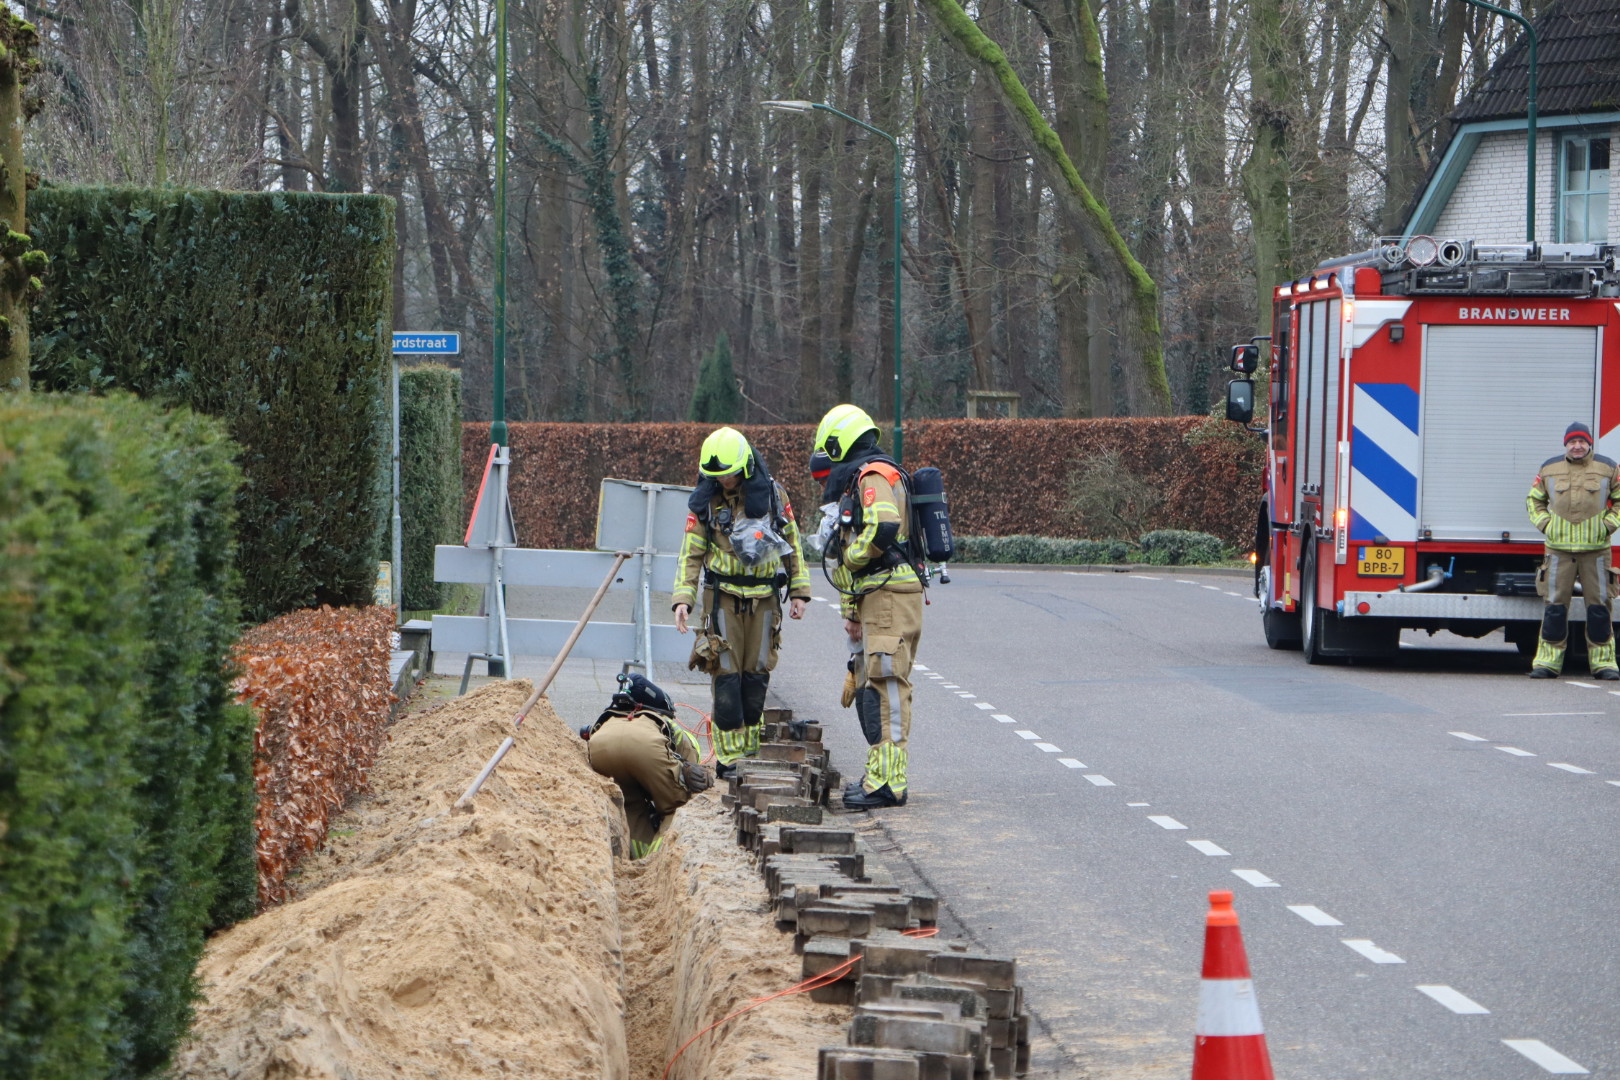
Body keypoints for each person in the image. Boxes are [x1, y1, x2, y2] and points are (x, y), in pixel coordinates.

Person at [672, 427, 811, 776]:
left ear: (746, 467)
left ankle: (748, 751)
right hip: (722, 598)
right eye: (718, 477)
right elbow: (691, 554)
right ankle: (728, 759)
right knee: (726, 674)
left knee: (757, 672)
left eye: (730, 474)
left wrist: (799, 591)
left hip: (765, 597)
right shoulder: (706, 502)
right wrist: (683, 599)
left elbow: (792, 544)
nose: (726, 481)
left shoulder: (774, 496)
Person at [812, 405, 924, 810]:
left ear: (839, 442)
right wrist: (853, 608)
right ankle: (881, 776)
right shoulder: (869, 473)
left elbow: (883, 526)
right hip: (881, 594)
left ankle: (889, 784)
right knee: (876, 685)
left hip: (890, 593)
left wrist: (850, 559)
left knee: (888, 686)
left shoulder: (872, 474)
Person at [1525, 420, 1620, 679]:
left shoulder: (1608, 467)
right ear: (1565, 444)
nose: (1577, 446)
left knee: (1600, 608)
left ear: (1590, 443)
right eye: (1572, 441)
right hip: (1558, 551)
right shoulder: (1549, 468)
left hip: (1596, 551)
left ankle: (1604, 664)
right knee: (1554, 607)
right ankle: (1547, 663)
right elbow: (1534, 500)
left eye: (1582, 441)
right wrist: (1547, 524)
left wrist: (1608, 525)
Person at [582, 673, 712, 859]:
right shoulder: (666, 723)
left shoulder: (610, 716)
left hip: (600, 747)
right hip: (646, 748)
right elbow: (685, 769)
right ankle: (656, 861)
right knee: (675, 806)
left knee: (629, 805)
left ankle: (632, 858)